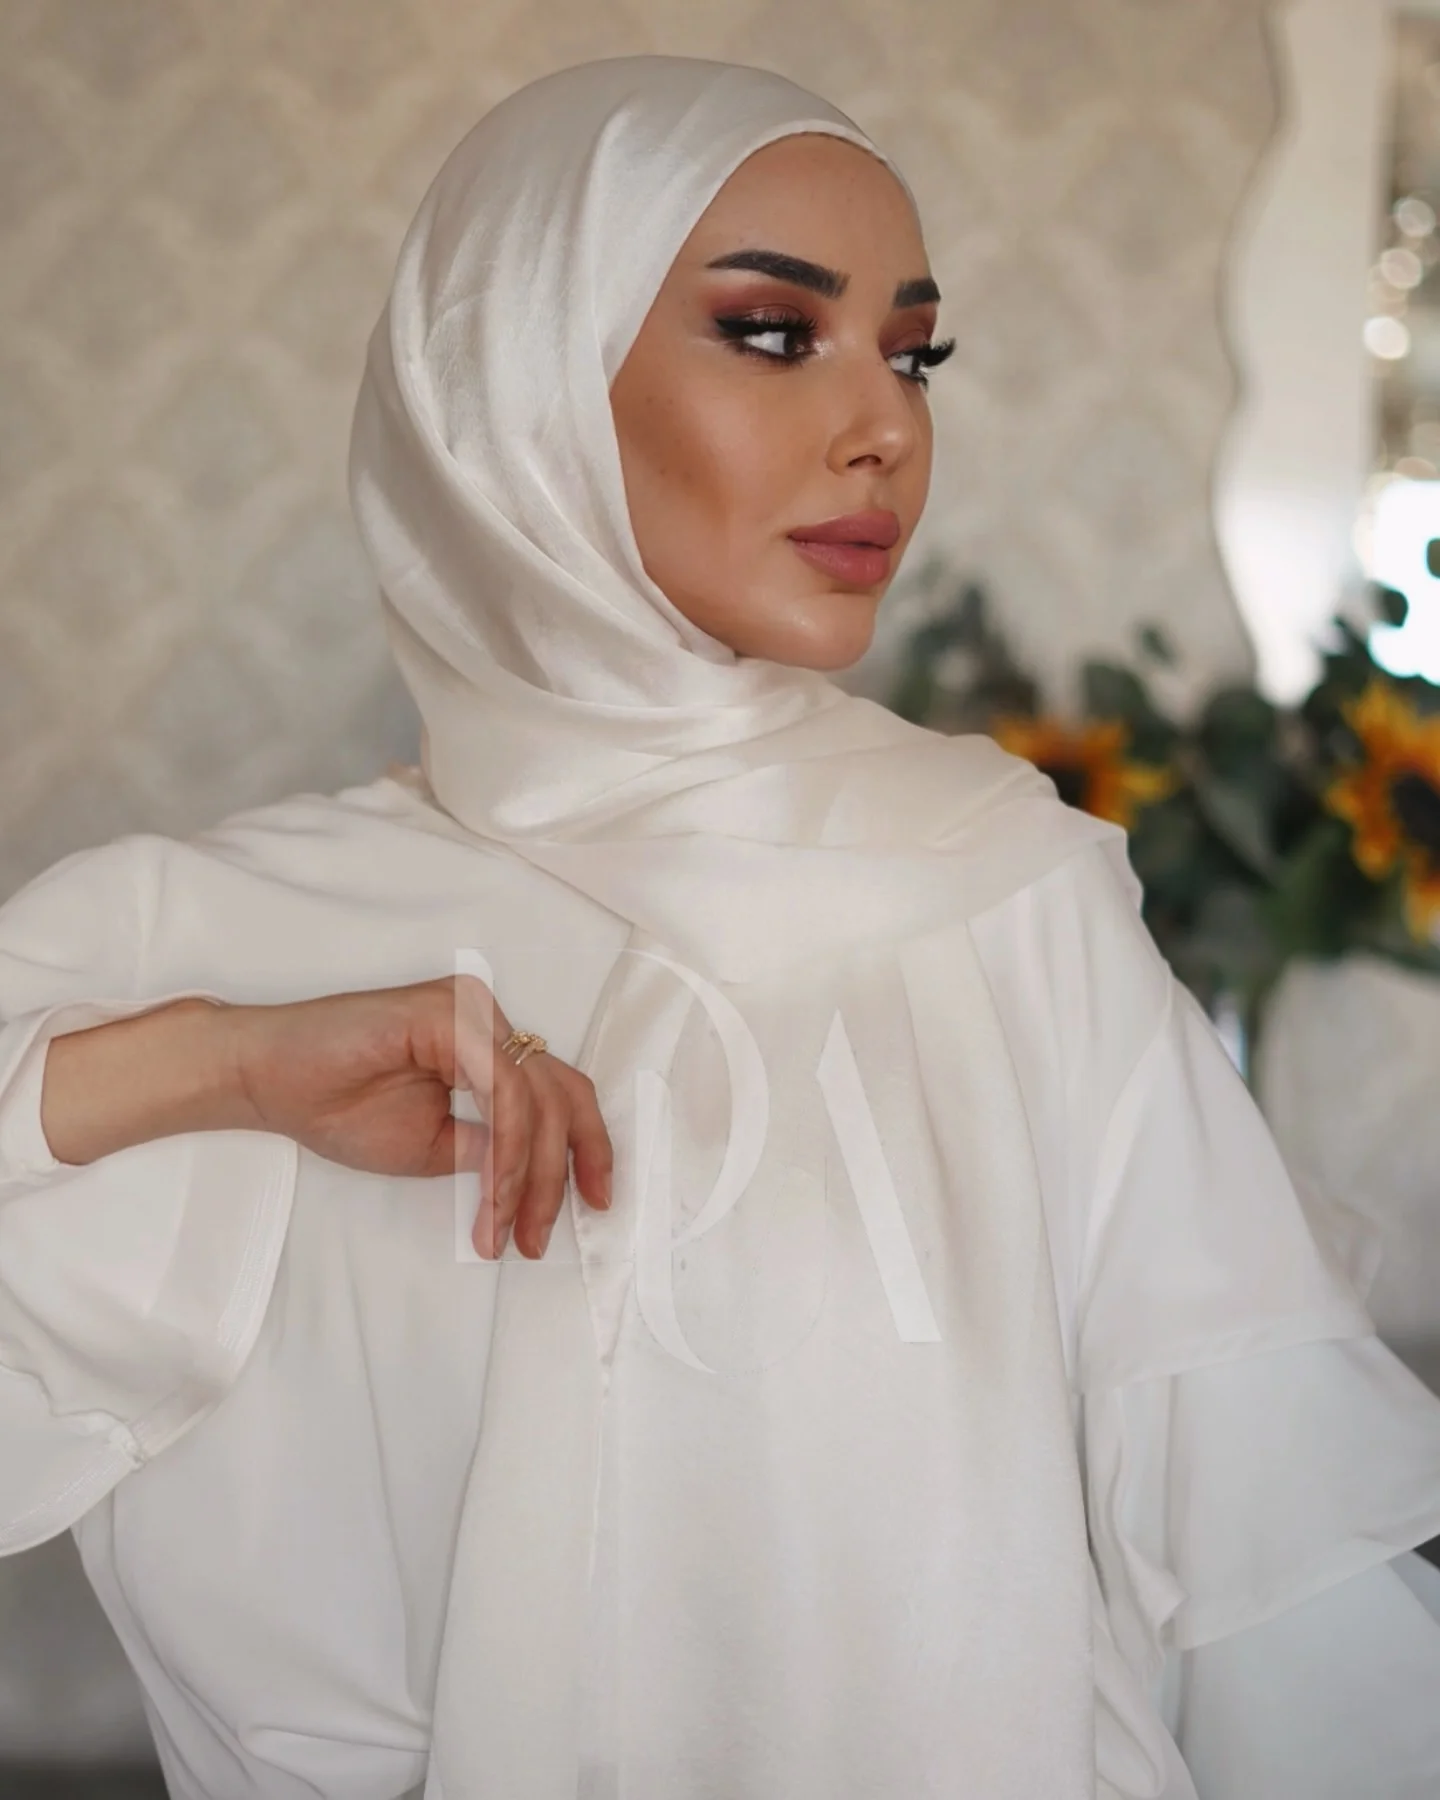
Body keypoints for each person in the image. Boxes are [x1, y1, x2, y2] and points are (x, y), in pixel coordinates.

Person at [2, 54, 1439, 1800]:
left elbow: (1265, 1587)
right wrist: (222, 1067)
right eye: (774, 333)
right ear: (520, 377)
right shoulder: (219, 938)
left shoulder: (1006, 886)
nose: (886, 425)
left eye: (914, 355)